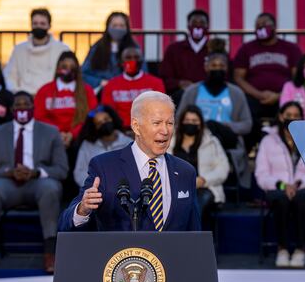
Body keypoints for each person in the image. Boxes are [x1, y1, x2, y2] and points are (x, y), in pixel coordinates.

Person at [59, 91, 200, 232]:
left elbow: (194, 232)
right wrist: (83, 210)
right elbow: (66, 223)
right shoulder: (104, 167)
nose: (165, 130)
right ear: (136, 126)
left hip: (173, 254)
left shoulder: (185, 171)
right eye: (157, 123)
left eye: (170, 123)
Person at [0, 91, 68, 273]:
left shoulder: (51, 132)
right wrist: (8, 172)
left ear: (33, 108)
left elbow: (62, 170)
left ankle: (50, 254)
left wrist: (35, 172)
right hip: (7, 183)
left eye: (27, 105)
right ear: (11, 109)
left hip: (38, 182)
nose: (22, 108)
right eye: (18, 105)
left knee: (50, 189)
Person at [177, 38, 252, 188]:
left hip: (226, 137)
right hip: (197, 136)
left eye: (221, 66)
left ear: (226, 69)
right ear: (206, 67)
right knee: (207, 127)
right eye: (213, 65)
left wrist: (227, 125)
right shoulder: (192, 91)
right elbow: (179, 118)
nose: (217, 68)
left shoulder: (236, 93)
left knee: (213, 125)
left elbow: (247, 124)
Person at [255, 101, 305, 268]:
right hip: (277, 188)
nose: (292, 118)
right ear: (281, 116)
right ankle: (282, 249)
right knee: (281, 199)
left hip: (303, 187)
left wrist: (299, 183)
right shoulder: (268, 140)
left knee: (301, 199)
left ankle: (300, 250)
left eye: (296, 116)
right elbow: (261, 174)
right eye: (288, 115)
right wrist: (282, 185)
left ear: (302, 118)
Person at [234, 12, 302, 150]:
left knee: (289, 112)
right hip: (254, 96)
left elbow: (297, 76)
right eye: (258, 26)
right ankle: (253, 147)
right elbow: (238, 77)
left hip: (283, 96)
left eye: (265, 25)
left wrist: (279, 95)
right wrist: (258, 94)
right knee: (247, 114)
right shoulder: (247, 48)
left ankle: (286, 147)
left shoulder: (290, 48)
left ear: (275, 27)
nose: (261, 28)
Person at [169, 105, 229, 228]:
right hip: (172, 188)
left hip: (204, 188)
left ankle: (194, 240)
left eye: (194, 121)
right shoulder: (170, 141)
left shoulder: (211, 142)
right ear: (181, 122)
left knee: (197, 204)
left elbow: (223, 168)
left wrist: (203, 180)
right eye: (187, 121)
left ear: (200, 123)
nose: (190, 124)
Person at [34, 51, 98, 147]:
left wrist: (72, 134)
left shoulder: (87, 90)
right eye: (64, 66)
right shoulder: (44, 90)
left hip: (80, 138)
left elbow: (91, 115)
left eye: (72, 67)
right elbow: (39, 117)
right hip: (51, 137)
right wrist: (58, 133)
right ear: (57, 69)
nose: (68, 69)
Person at [3, 8, 70, 94]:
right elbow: (9, 76)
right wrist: (17, 94)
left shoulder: (62, 49)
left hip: (53, 97)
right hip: (24, 99)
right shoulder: (19, 50)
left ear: (49, 26)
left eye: (42, 24)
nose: (39, 27)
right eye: (35, 23)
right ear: (31, 25)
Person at [101, 46, 165, 128]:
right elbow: (109, 112)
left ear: (141, 61)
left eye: (136, 57)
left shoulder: (156, 83)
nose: (133, 60)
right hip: (121, 130)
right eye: (128, 58)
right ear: (121, 62)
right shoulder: (110, 85)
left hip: (147, 129)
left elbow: (159, 110)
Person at [81, 12, 145, 91]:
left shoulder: (134, 48)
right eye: (114, 25)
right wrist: (100, 82)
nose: (118, 28)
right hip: (103, 92)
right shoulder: (97, 48)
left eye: (121, 25)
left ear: (127, 28)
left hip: (127, 91)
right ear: (108, 27)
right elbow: (83, 73)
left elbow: (143, 73)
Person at [73, 105, 132, 187]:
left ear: (112, 118)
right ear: (94, 127)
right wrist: (93, 186)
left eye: (106, 119)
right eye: (99, 123)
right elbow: (79, 172)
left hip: (125, 190)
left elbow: (134, 169)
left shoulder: (128, 142)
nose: (104, 123)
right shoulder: (87, 145)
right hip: (96, 191)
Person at [159, 9, 210, 96]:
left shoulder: (214, 50)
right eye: (194, 23)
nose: (197, 26)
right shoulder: (174, 49)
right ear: (188, 26)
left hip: (209, 95)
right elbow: (164, 77)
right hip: (181, 95)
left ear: (207, 26)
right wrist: (179, 83)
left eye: (202, 23)